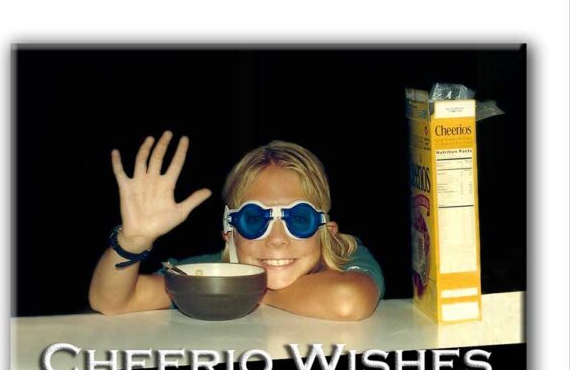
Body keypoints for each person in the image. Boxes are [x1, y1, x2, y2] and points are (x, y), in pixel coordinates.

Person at [89, 130, 384, 321]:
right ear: (229, 234)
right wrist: (133, 241)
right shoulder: (218, 270)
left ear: (326, 232)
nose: (277, 239)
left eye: (299, 219)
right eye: (255, 220)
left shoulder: (348, 255)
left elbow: (348, 300)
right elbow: (112, 301)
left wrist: (252, 291)